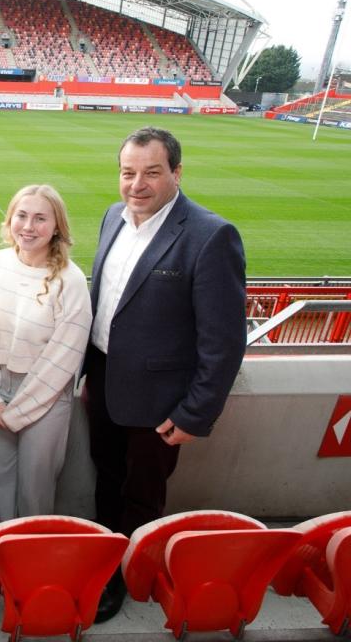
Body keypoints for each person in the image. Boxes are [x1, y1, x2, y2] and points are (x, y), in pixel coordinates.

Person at [84, 126, 246, 622]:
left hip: (160, 398)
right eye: (128, 172)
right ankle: (109, 559)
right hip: (105, 379)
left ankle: (127, 574)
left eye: (152, 172)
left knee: (141, 492)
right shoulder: (114, 216)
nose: (137, 184)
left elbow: (223, 341)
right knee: (106, 478)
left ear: (176, 173)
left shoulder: (210, 235)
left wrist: (196, 413)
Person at [0, 185, 92, 524]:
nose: (28, 226)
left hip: (46, 397)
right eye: (21, 216)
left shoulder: (71, 281)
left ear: (57, 227)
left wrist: (15, 411)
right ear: (10, 220)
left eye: (40, 218)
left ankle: (28, 568)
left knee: (34, 492)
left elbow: (63, 359)